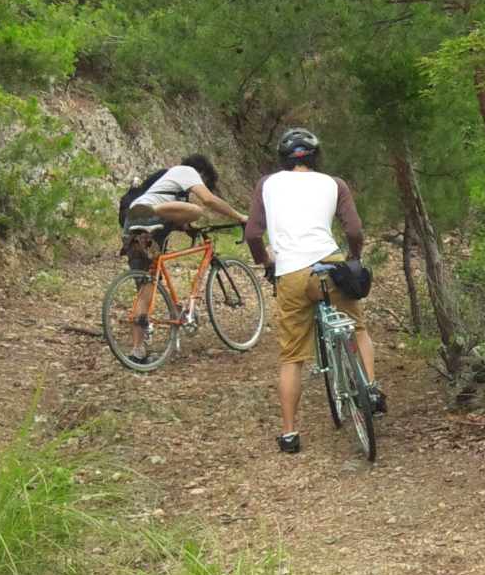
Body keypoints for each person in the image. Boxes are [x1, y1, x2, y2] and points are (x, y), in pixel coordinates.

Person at [243, 128, 383, 455]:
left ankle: (290, 434)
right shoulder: (335, 184)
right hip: (331, 268)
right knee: (356, 328)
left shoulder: (267, 184)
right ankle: (371, 389)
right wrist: (354, 257)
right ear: (316, 157)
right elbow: (354, 230)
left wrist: (265, 259)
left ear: (283, 159)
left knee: (292, 356)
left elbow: (252, 233)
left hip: (290, 272)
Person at [119, 155, 246, 363]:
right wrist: (239, 217)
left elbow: (180, 220)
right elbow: (209, 200)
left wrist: (188, 228)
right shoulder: (186, 171)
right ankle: (150, 211)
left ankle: (137, 351)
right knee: (198, 210)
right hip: (148, 213)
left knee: (146, 287)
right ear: (201, 174)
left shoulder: (169, 188)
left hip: (134, 225)